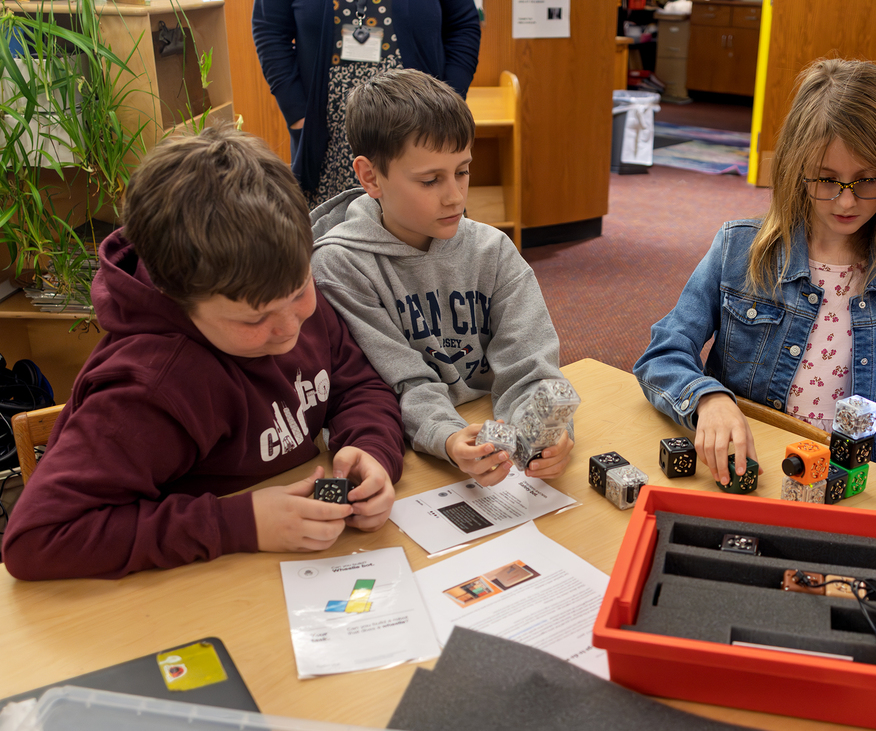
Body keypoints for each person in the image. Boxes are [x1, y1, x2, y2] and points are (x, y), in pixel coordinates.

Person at [1, 126, 405, 581]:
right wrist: (239, 523)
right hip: (187, 590)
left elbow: (357, 385)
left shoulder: (278, 281)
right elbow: (35, 539)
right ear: (179, 300)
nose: (290, 328)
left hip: (290, 572)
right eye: (254, 320)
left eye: (300, 291)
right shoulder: (147, 386)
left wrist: (371, 448)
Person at [633, 58, 876, 487]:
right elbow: (662, 354)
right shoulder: (738, 250)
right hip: (750, 467)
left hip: (843, 481)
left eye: (869, 180)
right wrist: (708, 399)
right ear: (794, 170)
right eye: (826, 179)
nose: (845, 202)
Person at [310, 68, 574, 487]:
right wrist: (447, 437)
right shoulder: (340, 264)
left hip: (485, 427)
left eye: (463, 171)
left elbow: (530, 364)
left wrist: (548, 431)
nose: (455, 195)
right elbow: (396, 382)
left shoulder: (492, 249)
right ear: (370, 177)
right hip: (409, 449)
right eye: (431, 179)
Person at [252, 0, 480, 208]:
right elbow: (269, 31)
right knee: (333, 234)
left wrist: (446, 102)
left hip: (422, 122)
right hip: (327, 130)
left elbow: (464, 26)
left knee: (426, 216)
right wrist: (299, 115)